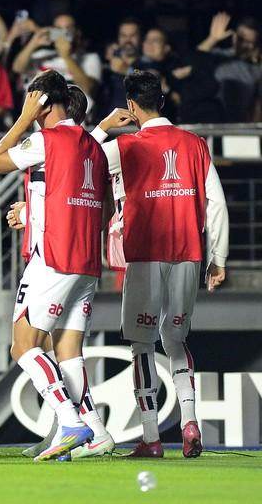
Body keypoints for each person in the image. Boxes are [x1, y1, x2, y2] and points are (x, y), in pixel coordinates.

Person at [91, 70, 229, 459]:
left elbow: (80, 155)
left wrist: (103, 128)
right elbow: (216, 203)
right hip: (188, 252)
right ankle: (189, 420)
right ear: (163, 101)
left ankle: (151, 437)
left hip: (145, 255)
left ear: (131, 106)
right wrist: (218, 258)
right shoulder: (195, 144)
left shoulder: (124, 147)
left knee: (142, 345)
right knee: (176, 339)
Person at [0, 70, 109, 461]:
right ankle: (97, 432)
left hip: (54, 257)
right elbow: (100, 208)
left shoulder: (47, 139)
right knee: (67, 348)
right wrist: (37, 212)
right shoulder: (92, 145)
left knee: (22, 346)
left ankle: (70, 420)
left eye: (33, 100)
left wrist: (22, 119)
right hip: (87, 260)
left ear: (43, 102)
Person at [12, 13, 102, 102]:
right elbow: (18, 68)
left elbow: (89, 88)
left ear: (77, 32)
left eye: (69, 28)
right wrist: (33, 43)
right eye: (58, 29)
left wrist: (67, 57)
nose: (63, 33)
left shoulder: (90, 58)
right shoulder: (43, 54)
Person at [196, 12, 261, 123]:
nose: (247, 46)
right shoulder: (218, 56)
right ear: (234, 37)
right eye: (243, 40)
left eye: (251, 42)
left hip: (242, 126)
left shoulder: (256, 67)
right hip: (212, 123)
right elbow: (194, 59)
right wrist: (212, 39)